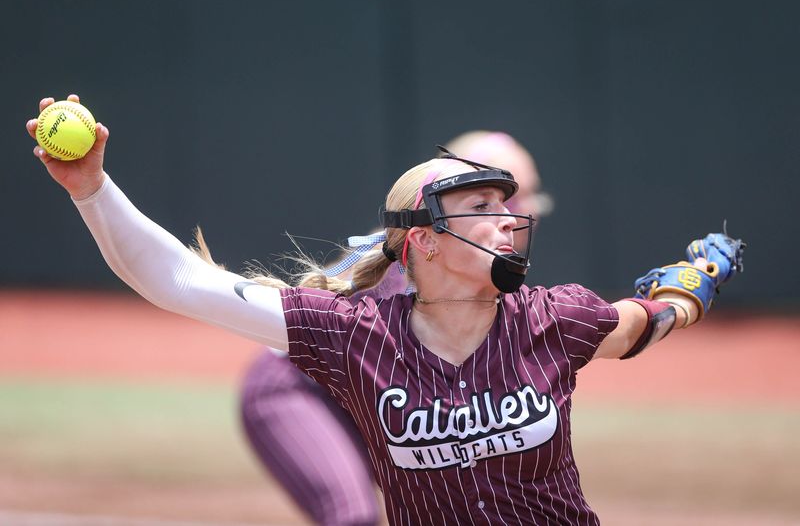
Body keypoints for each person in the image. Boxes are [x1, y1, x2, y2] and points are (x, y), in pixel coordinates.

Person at [26, 95, 744, 526]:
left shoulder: (555, 315)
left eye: (510, 203)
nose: (509, 218)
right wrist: (91, 188)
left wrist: (683, 292)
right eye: (483, 206)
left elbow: (638, 323)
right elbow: (176, 277)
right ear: (425, 243)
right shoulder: (352, 333)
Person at [238, 130, 551, 526]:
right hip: (298, 387)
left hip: (372, 401)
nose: (514, 211)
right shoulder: (403, 249)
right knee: (352, 514)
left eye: (518, 197)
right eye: (484, 199)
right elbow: (320, 289)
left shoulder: (487, 267)